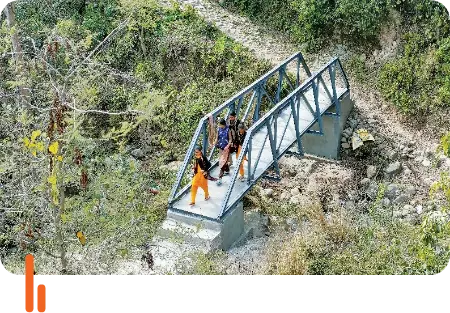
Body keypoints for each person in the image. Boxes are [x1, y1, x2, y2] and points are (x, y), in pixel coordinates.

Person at [214, 118, 232, 185]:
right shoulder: (219, 129)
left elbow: (230, 140)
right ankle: (227, 170)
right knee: (223, 161)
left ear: (223, 124)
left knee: (222, 162)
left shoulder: (228, 130)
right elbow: (217, 138)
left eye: (220, 124)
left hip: (226, 148)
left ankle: (220, 178)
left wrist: (227, 146)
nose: (219, 125)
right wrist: (214, 144)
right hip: (221, 148)